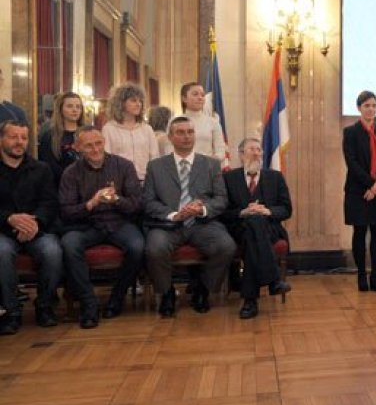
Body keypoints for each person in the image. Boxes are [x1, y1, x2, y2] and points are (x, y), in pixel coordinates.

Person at [143, 116, 236, 317]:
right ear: (170, 137)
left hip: (202, 224)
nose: (186, 136)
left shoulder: (211, 164)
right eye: (180, 132)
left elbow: (221, 199)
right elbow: (148, 202)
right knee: (154, 248)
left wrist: (202, 209)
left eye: (190, 132)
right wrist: (172, 214)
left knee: (226, 246)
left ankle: (203, 289)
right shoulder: (156, 166)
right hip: (168, 225)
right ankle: (167, 293)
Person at [58, 126, 144, 325]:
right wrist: (91, 203)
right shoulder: (71, 173)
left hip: (119, 222)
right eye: (89, 146)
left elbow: (137, 204)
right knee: (69, 244)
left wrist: (117, 200)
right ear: (78, 147)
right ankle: (89, 304)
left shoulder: (124, 166)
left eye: (98, 143)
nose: (96, 149)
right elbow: (66, 211)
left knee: (138, 246)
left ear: (104, 142)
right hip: (86, 225)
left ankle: (117, 299)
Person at [0, 120, 64, 335]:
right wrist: (10, 219)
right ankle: (11, 312)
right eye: (13, 137)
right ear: (1, 140)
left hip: (38, 229)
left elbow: (50, 203)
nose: (19, 142)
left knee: (53, 251)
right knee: (1, 252)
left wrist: (35, 222)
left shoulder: (41, 169)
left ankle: (44, 306)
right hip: (3, 231)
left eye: (24, 138)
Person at [221, 137, 292, 319]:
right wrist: (242, 212)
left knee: (256, 224)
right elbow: (222, 212)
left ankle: (250, 301)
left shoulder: (275, 177)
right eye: (251, 149)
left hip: (270, 229)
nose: (256, 153)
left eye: (259, 150)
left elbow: (286, 209)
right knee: (252, 225)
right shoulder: (228, 178)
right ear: (241, 155)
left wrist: (267, 211)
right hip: (239, 229)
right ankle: (273, 280)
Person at [343, 91, 376, 292]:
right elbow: (352, 163)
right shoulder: (350, 132)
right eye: (367, 106)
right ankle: (361, 275)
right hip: (358, 191)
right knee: (360, 232)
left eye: (374, 105)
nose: (371, 109)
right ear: (359, 108)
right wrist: (370, 184)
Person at [102, 83, 159, 182]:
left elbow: (155, 157)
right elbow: (106, 160)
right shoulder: (109, 129)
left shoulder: (147, 129)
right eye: (133, 100)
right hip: (120, 181)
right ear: (121, 103)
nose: (138, 104)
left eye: (140, 101)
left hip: (145, 181)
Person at [168, 82, 226, 164]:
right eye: (195, 94)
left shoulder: (213, 122)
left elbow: (220, 152)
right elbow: (169, 149)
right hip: (181, 166)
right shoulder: (174, 121)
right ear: (184, 98)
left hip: (206, 167)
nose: (200, 98)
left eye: (202, 95)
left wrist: (204, 162)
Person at [38, 91, 86, 187]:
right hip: (59, 186)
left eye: (78, 107)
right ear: (60, 109)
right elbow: (48, 166)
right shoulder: (49, 136)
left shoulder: (88, 133)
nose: (75, 110)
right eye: (69, 106)